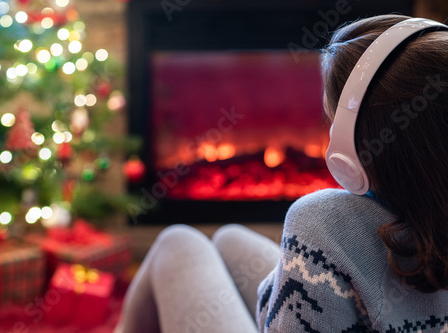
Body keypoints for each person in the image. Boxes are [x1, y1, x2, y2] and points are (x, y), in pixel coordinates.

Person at [116, 14, 448, 333]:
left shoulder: (322, 221)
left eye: (332, 122)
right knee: (230, 238)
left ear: (352, 151)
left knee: (179, 242)